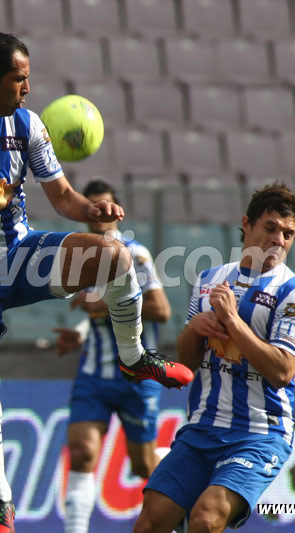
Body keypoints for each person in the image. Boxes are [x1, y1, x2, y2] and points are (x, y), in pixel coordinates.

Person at [0, 31, 193, 532]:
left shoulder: (27, 124)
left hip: (20, 254)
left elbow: (62, 198)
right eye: (20, 79)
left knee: (115, 256)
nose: (28, 88)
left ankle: (134, 357)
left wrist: (93, 210)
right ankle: (0, 501)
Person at [132, 183, 295, 533]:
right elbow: (187, 363)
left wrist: (232, 320)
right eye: (271, 228)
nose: (278, 240)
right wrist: (194, 329)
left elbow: (282, 371)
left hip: (259, 433)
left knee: (206, 518)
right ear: (246, 224)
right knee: (150, 522)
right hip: (202, 427)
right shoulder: (209, 279)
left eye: (288, 233)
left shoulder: (294, 295)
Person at [54, 179, 171, 533]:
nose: (100, 214)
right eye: (93, 208)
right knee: (81, 452)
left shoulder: (135, 255)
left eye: (106, 207)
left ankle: (177, 479)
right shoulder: (83, 258)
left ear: (118, 212)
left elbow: (160, 310)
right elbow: (97, 315)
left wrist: (102, 305)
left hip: (136, 376)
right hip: (94, 373)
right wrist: (80, 332)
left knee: (143, 465)